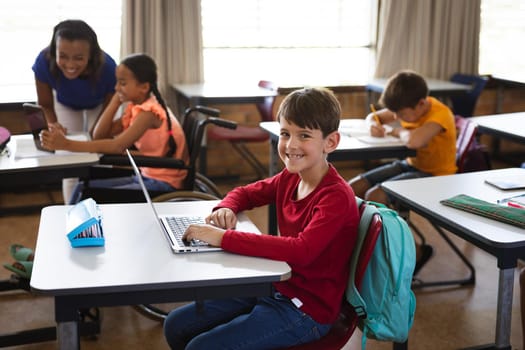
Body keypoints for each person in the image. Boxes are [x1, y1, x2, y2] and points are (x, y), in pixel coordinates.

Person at [163, 87, 360, 350]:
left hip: (307, 310)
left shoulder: (335, 197)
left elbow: (301, 250)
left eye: (304, 136)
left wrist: (224, 238)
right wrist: (226, 208)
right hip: (277, 286)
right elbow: (244, 193)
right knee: (175, 325)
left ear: (331, 142)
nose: (290, 145)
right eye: (285, 134)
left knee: (200, 347)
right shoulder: (290, 177)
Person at [348, 70, 457, 274]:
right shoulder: (407, 106)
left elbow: (415, 140)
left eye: (402, 115)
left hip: (437, 177)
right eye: (395, 113)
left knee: (375, 196)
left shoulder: (440, 114)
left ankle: (413, 251)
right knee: (351, 189)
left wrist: (395, 130)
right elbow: (374, 116)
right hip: (411, 164)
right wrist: (374, 125)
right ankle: (367, 244)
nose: (397, 117)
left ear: (421, 104)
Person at [40, 53, 188, 204]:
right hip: (147, 174)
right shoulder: (136, 108)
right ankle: (70, 226)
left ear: (143, 87)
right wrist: (115, 102)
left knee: (87, 193)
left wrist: (66, 144)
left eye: (122, 83)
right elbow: (99, 135)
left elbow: (117, 146)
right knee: (81, 186)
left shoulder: (148, 113)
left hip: (163, 184)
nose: (116, 87)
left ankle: (76, 227)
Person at [32, 19, 117, 203]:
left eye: (79, 58)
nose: (70, 65)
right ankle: (70, 212)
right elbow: (45, 104)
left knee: (101, 155)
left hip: (100, 106)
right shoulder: (43, 62)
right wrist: (54, 126)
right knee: (68, 159)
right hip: (66, 104)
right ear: (54, 52)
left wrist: (93, 141)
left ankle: (103, 205)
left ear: (91, 55)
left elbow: (110, 107)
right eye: (63, 56)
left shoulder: (109, 68)